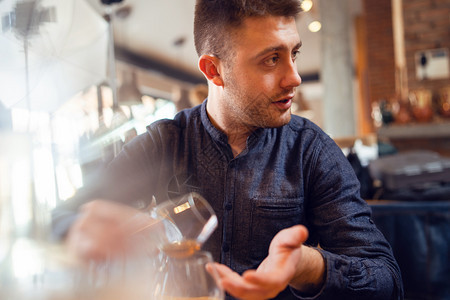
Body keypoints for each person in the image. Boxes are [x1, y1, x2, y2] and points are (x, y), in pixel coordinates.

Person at [52, 0, 404, 299]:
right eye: (271, 59)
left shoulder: (311, 152)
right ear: (213, 70)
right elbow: (65, 217)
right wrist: (80, 230)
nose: (294, 77)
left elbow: (387, 279)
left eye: (293, 54)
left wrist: (307, 265)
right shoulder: (164, 144)